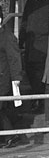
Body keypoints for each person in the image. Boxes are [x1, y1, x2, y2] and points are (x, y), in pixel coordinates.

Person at [22, 0, 49, 110]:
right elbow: (24, 21)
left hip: (43, 44)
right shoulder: (30, 1)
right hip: (30, 43)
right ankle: (36, 98)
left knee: (40, 73)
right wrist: (21, 40)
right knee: (30, 71)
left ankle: (39, 100)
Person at [0, 8, 23, 147]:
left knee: (1, 108)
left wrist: (16, 77)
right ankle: (9, 135)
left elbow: (14, 58)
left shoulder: (7, 37)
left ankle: (11, 135)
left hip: (3, 77)